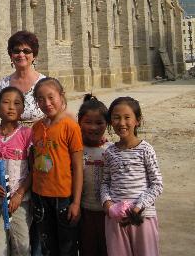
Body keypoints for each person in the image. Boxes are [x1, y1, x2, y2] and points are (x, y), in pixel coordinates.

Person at [100, 97, 163, 256]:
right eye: (116, 117)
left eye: (127, 117)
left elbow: (157, 185)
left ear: (137, 121)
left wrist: (138, 207)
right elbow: (105, 183)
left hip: (142, 217)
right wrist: (108, 205)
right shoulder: (109, 152)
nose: (121, 123)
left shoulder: (146, 150)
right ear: (110, 122)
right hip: (116, 220)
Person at [32, 77, 83, 256]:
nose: (46, 103)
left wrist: (76, 202)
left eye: (51, 97)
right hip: (39, 196)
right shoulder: (37, 127)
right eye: (40, 99)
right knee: (48, 246)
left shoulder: (70, 127)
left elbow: (77, 167)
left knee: (67, 247)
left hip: (63, 197)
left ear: (61, 96)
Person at [0, 86, 33, 256]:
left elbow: (34, 170)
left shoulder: (27, 134)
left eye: (17, 103)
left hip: (20, 202)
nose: (11, 107)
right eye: (6, 102)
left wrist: (19, 194)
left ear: (23, 109)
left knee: (21, 246)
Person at [0, 31, 45, 128]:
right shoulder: (2, 85)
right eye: (16, 51)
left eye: (26, 51)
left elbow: (58, 113)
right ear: (11, 55)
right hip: (8, 139)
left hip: (37, 139)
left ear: (34, 56)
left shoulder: (44, 84)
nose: (21, 54)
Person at [78, 94, 111, 256]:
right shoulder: (76, 150)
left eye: (99, 123)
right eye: (88, 122)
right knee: (87, 249)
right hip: (84, 211)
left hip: (108, 213)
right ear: (79, 123)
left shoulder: (111, 150)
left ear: (107, 124)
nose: (93, 127)